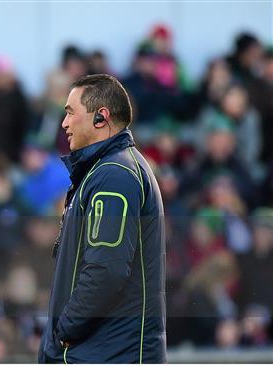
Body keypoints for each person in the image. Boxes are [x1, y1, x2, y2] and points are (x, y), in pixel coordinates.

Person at [38, 74, 166, 363]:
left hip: (106, 353)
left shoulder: (114, 175)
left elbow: (106, 270)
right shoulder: (104, 170)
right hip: (101, 350)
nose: (64, 123)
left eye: (70, 112)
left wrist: (64, 330)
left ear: (100, 118)